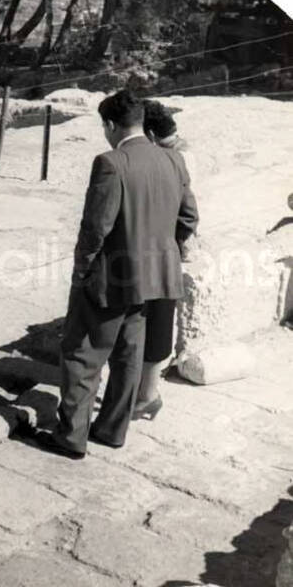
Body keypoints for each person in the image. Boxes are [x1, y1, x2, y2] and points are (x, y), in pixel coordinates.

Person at [34, 89, 199, 460]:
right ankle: (111, 430)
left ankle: (70, 437)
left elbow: (96, 227)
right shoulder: (174, 161)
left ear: (109, 125)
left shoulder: (111, 162)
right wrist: (158, 251)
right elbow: (188, 218)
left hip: (111, 278)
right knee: (127, 357)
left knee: (82, 354)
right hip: (152, 281)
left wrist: (82, 271)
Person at [134, 100, 199, 420]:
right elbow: (189, 217)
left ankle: (131, 396)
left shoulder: (127, 161)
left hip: (130, 260)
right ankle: (148, 395)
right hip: (166, 258)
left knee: (131, 326)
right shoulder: (178, 160)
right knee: (160, 325)